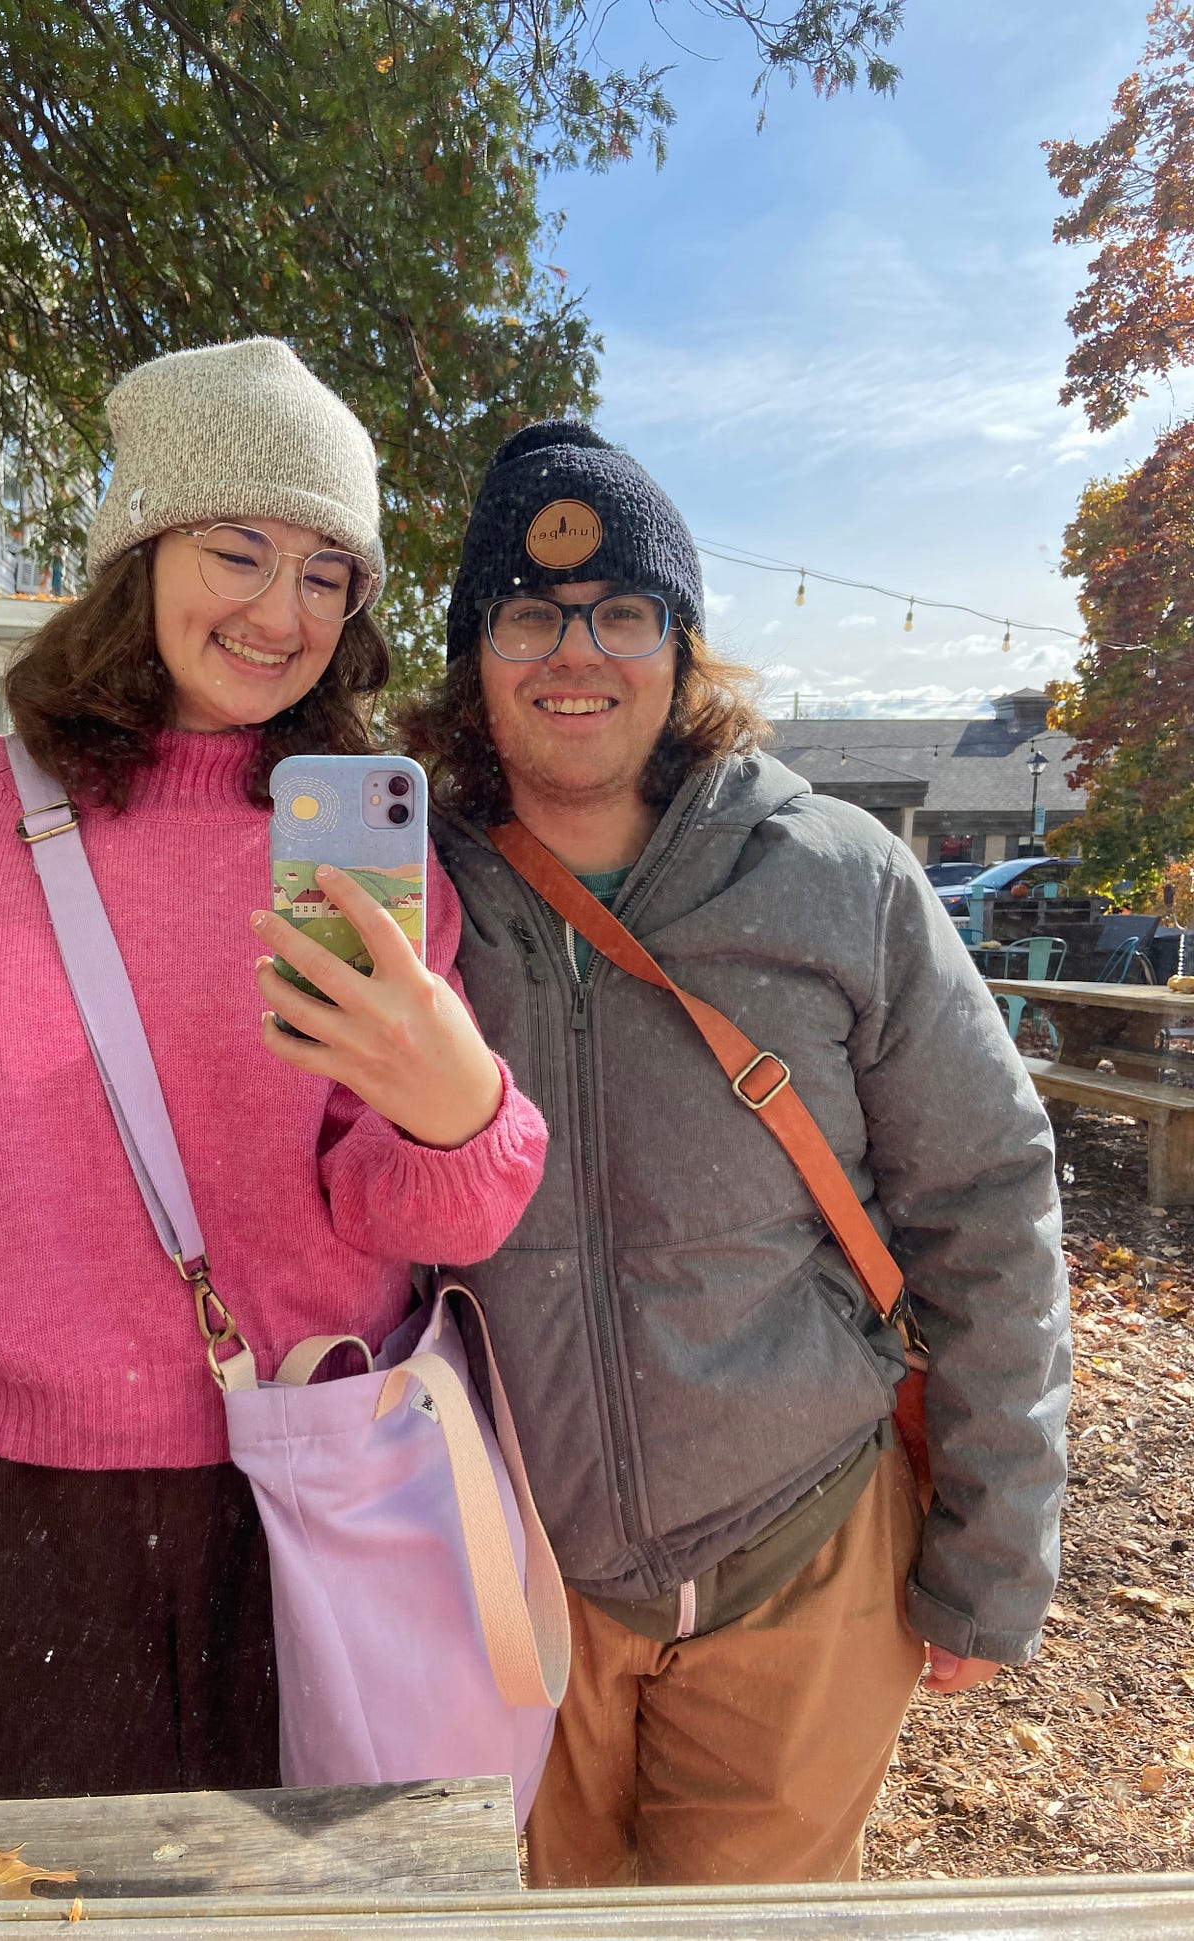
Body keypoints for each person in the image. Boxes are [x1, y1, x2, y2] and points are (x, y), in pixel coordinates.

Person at [0, 340, 547, 1803]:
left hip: (308, 1497)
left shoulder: (363, 865)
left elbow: (409, 1215)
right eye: (239, 549)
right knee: (33, 1897)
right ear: (138, 551)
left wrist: (458, 1118)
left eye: (328, 575)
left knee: (301, 1908)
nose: (283, 611)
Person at [396, 420, 1071, 1888]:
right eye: (526, 614)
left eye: (621, 612)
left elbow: (987, 1201)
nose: (576, 654)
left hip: (803, 1564)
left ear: (682, 645)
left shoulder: (838, 878)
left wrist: (995, 1547)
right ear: (472, 656)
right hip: (510, 1579)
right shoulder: (409, 896)